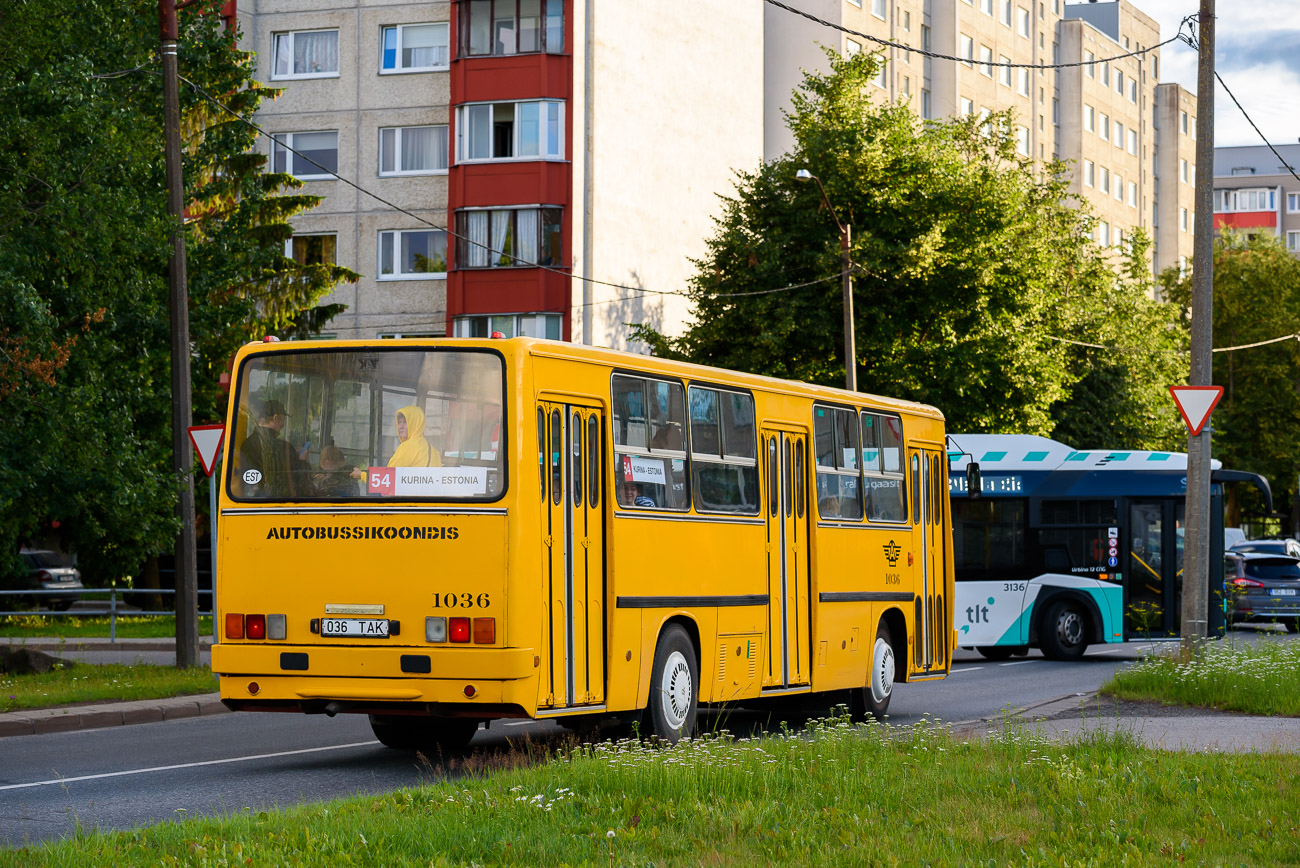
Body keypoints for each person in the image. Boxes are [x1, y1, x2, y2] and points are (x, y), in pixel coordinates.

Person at [238, 399, 310, 497]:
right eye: (283, 420)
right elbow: (298, 481)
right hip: (279, 502)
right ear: (276, 418)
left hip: (253, 498)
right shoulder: (284, 448)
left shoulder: (247, 444)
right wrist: (302, 461)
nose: (283, 425)